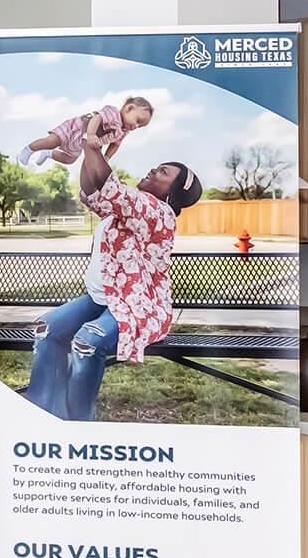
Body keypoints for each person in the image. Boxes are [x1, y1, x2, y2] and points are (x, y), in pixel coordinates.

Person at [23, 141, 203, 421]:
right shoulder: (127, 208)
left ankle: (79, 424)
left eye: (163, 172)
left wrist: (93, 144)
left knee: (87, 342)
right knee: (47, 330)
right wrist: (87, 150)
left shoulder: (158, 212)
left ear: (173, 193)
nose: (154, 170)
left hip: (137, 307)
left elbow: (111, 187)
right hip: (101, 300)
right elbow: (93, 191)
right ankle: (45, 413)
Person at [21, 95, 154, 168]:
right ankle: (29, 149)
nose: (136, 126)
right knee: (51, 141)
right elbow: (97, 118)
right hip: (76, 130)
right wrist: (91, 134)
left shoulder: (123, 132)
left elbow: (115, 145)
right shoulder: (113, 113)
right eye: (137, 120)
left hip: (80, 143)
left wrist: (106, 158)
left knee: (69, 159)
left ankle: (48, 154)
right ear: (129, 108)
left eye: (140, 126)